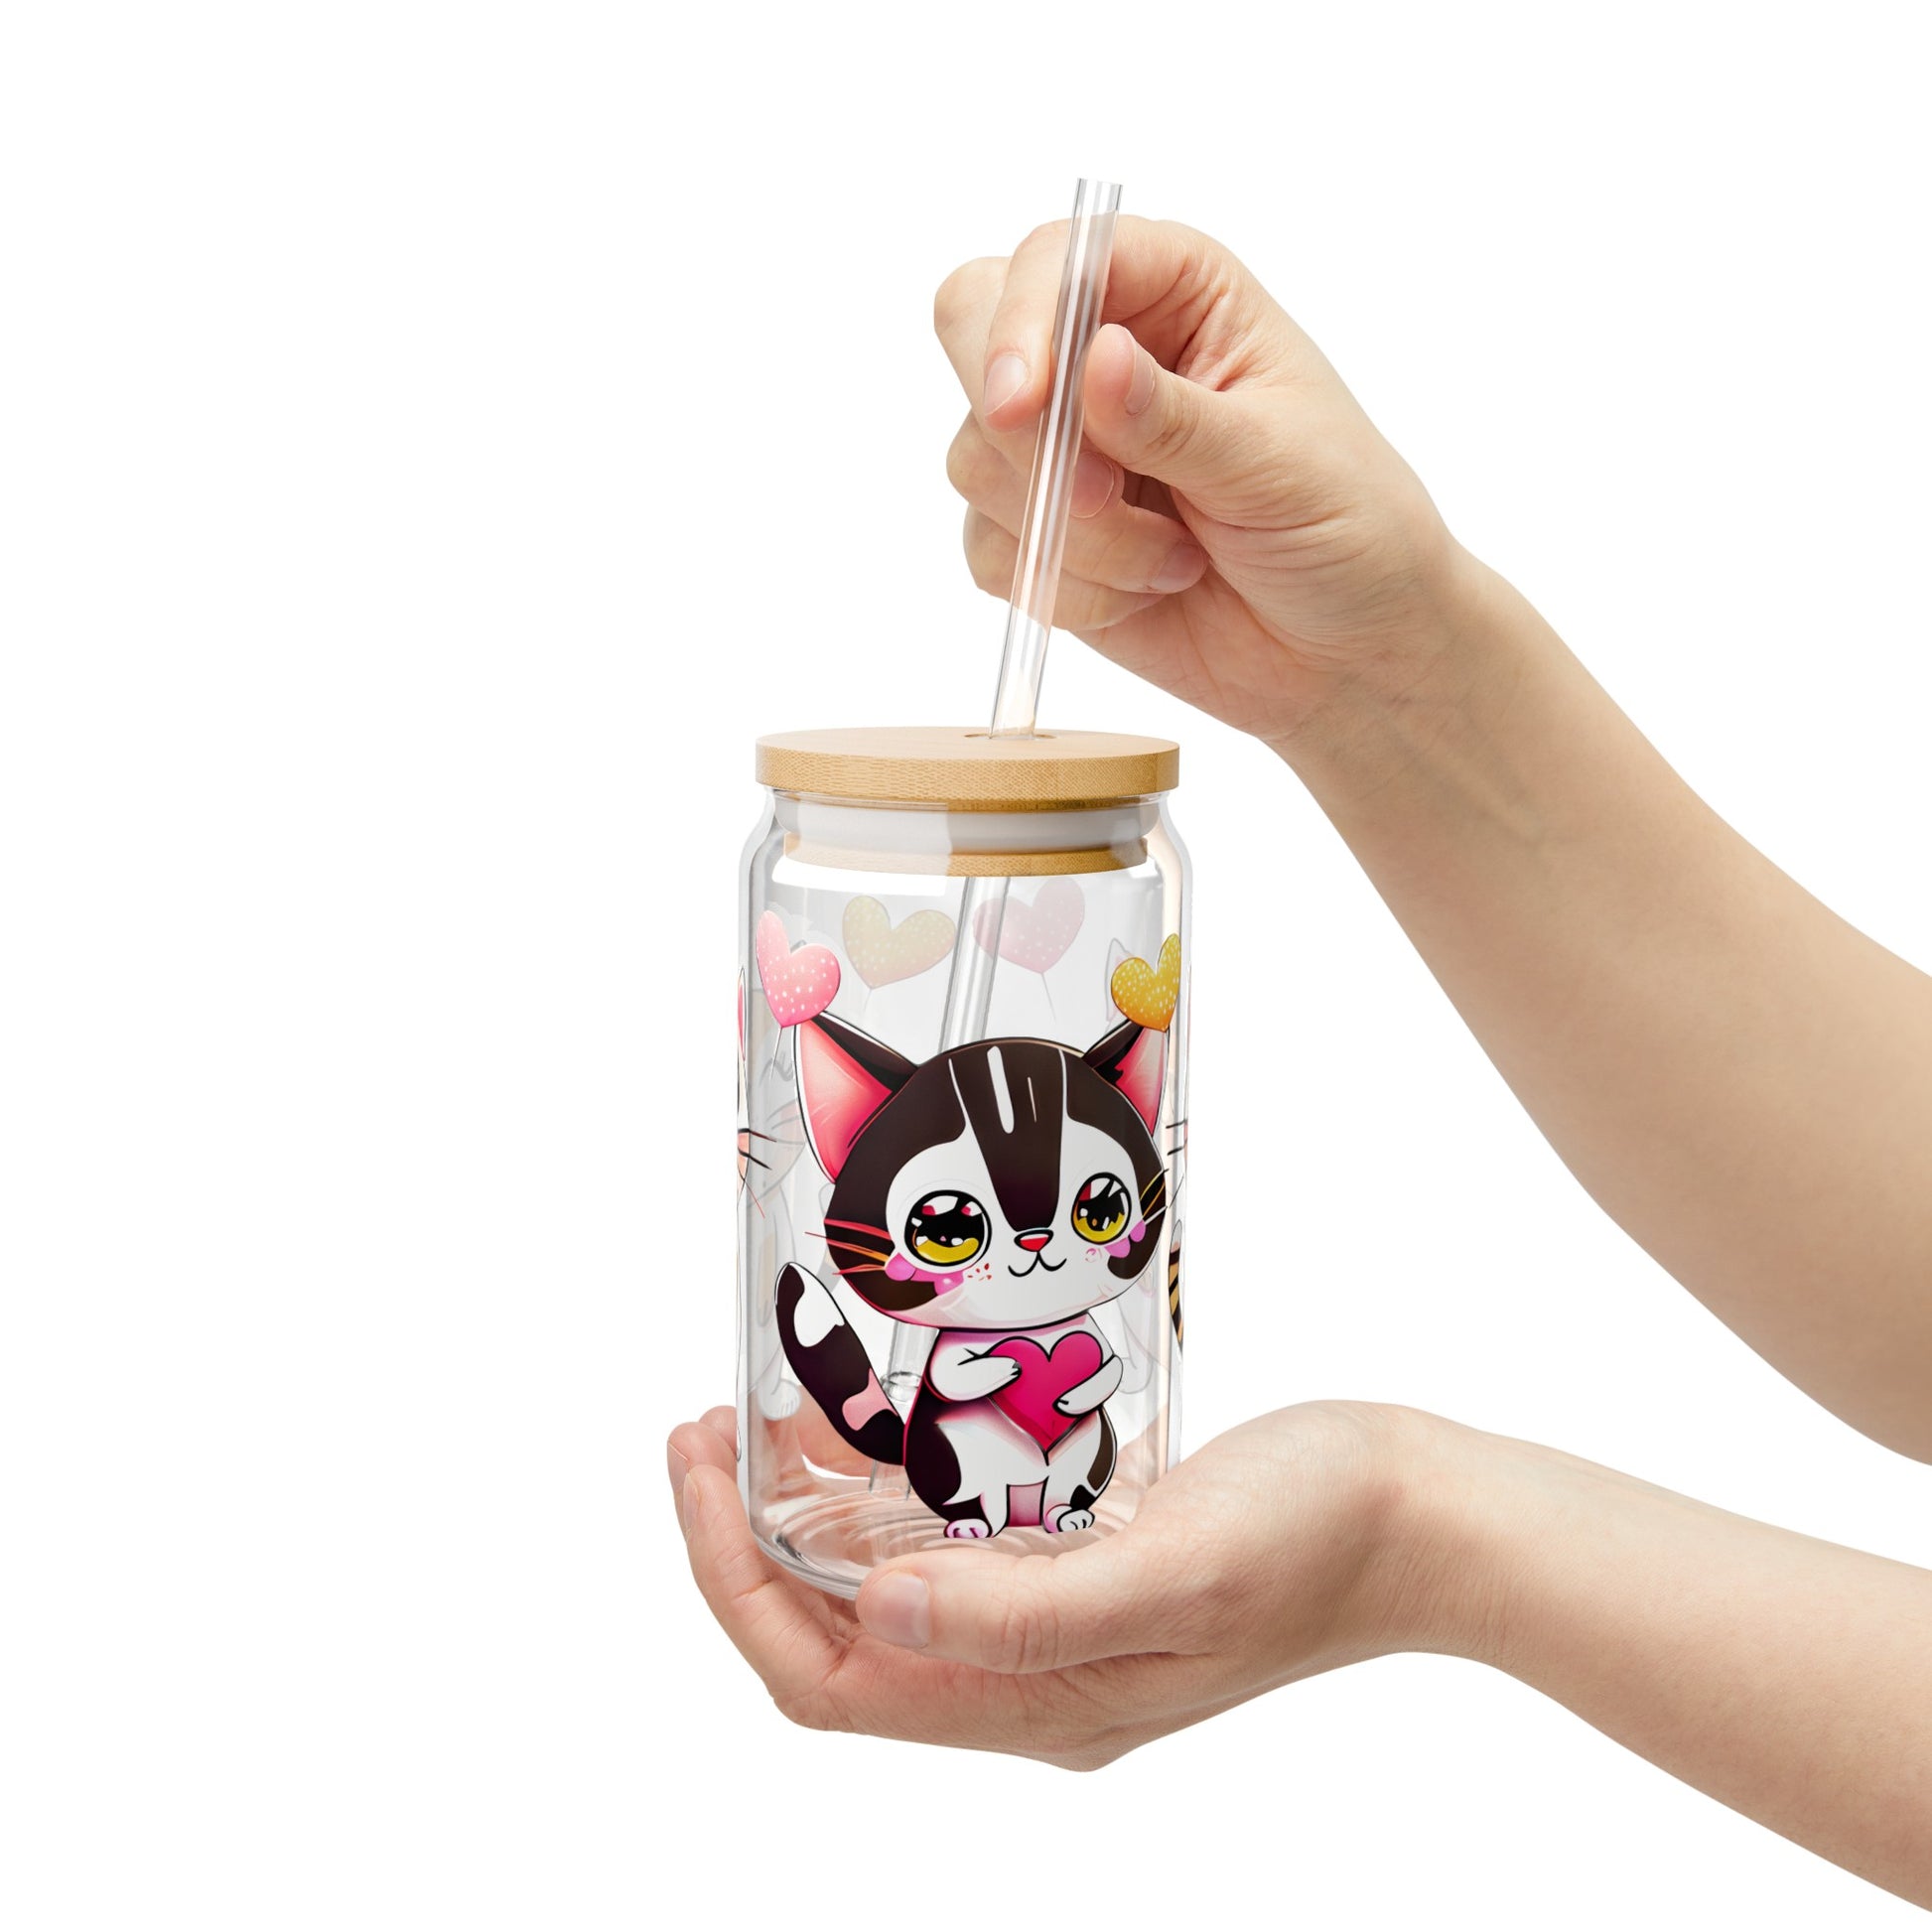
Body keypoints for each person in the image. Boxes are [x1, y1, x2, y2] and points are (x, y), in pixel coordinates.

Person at [667, 218, 1932, 1908]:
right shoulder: (813, 887)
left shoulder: (1129, 893)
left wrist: (1420, 1537)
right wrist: (1376, 671)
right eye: (963, 1230)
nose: (1034, 1259)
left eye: (1081, 1213)